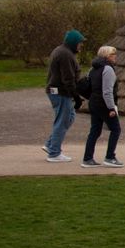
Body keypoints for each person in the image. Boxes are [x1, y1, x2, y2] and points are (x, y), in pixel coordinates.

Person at [43, 29, 84, 162]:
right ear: (73, 42)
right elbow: (68, 79)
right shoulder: (65, 55)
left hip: (58, 91)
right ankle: (54, 153)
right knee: (62, 120)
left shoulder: (62, 51)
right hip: (60, 92)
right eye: (79, 43)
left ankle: (50, 144)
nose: (81, 45)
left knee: (69, 117)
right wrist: (76, 97)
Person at [81, 45, 123, 168]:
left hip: (94, 102)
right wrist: (111, 108)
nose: (115, 57)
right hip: (104, 104)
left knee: (95, 130)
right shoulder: (108, 69)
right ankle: (110, 157)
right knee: (116, 129)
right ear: (107, 56)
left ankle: (87, 158)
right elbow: (107, 91)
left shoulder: (93, 69)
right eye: (112, 54)